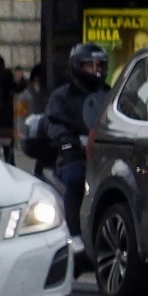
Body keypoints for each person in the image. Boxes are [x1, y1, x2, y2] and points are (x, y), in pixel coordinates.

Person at [39, 42, 111, 237]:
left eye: (100, 65)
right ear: (78, 66)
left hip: (103, 156)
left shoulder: (110, 95)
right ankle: (74, 234)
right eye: (92, 65)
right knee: (77, 178)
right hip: (73, 156)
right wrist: (65, 140)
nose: (97, 70)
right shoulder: (62, 96)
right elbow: (52, 121)